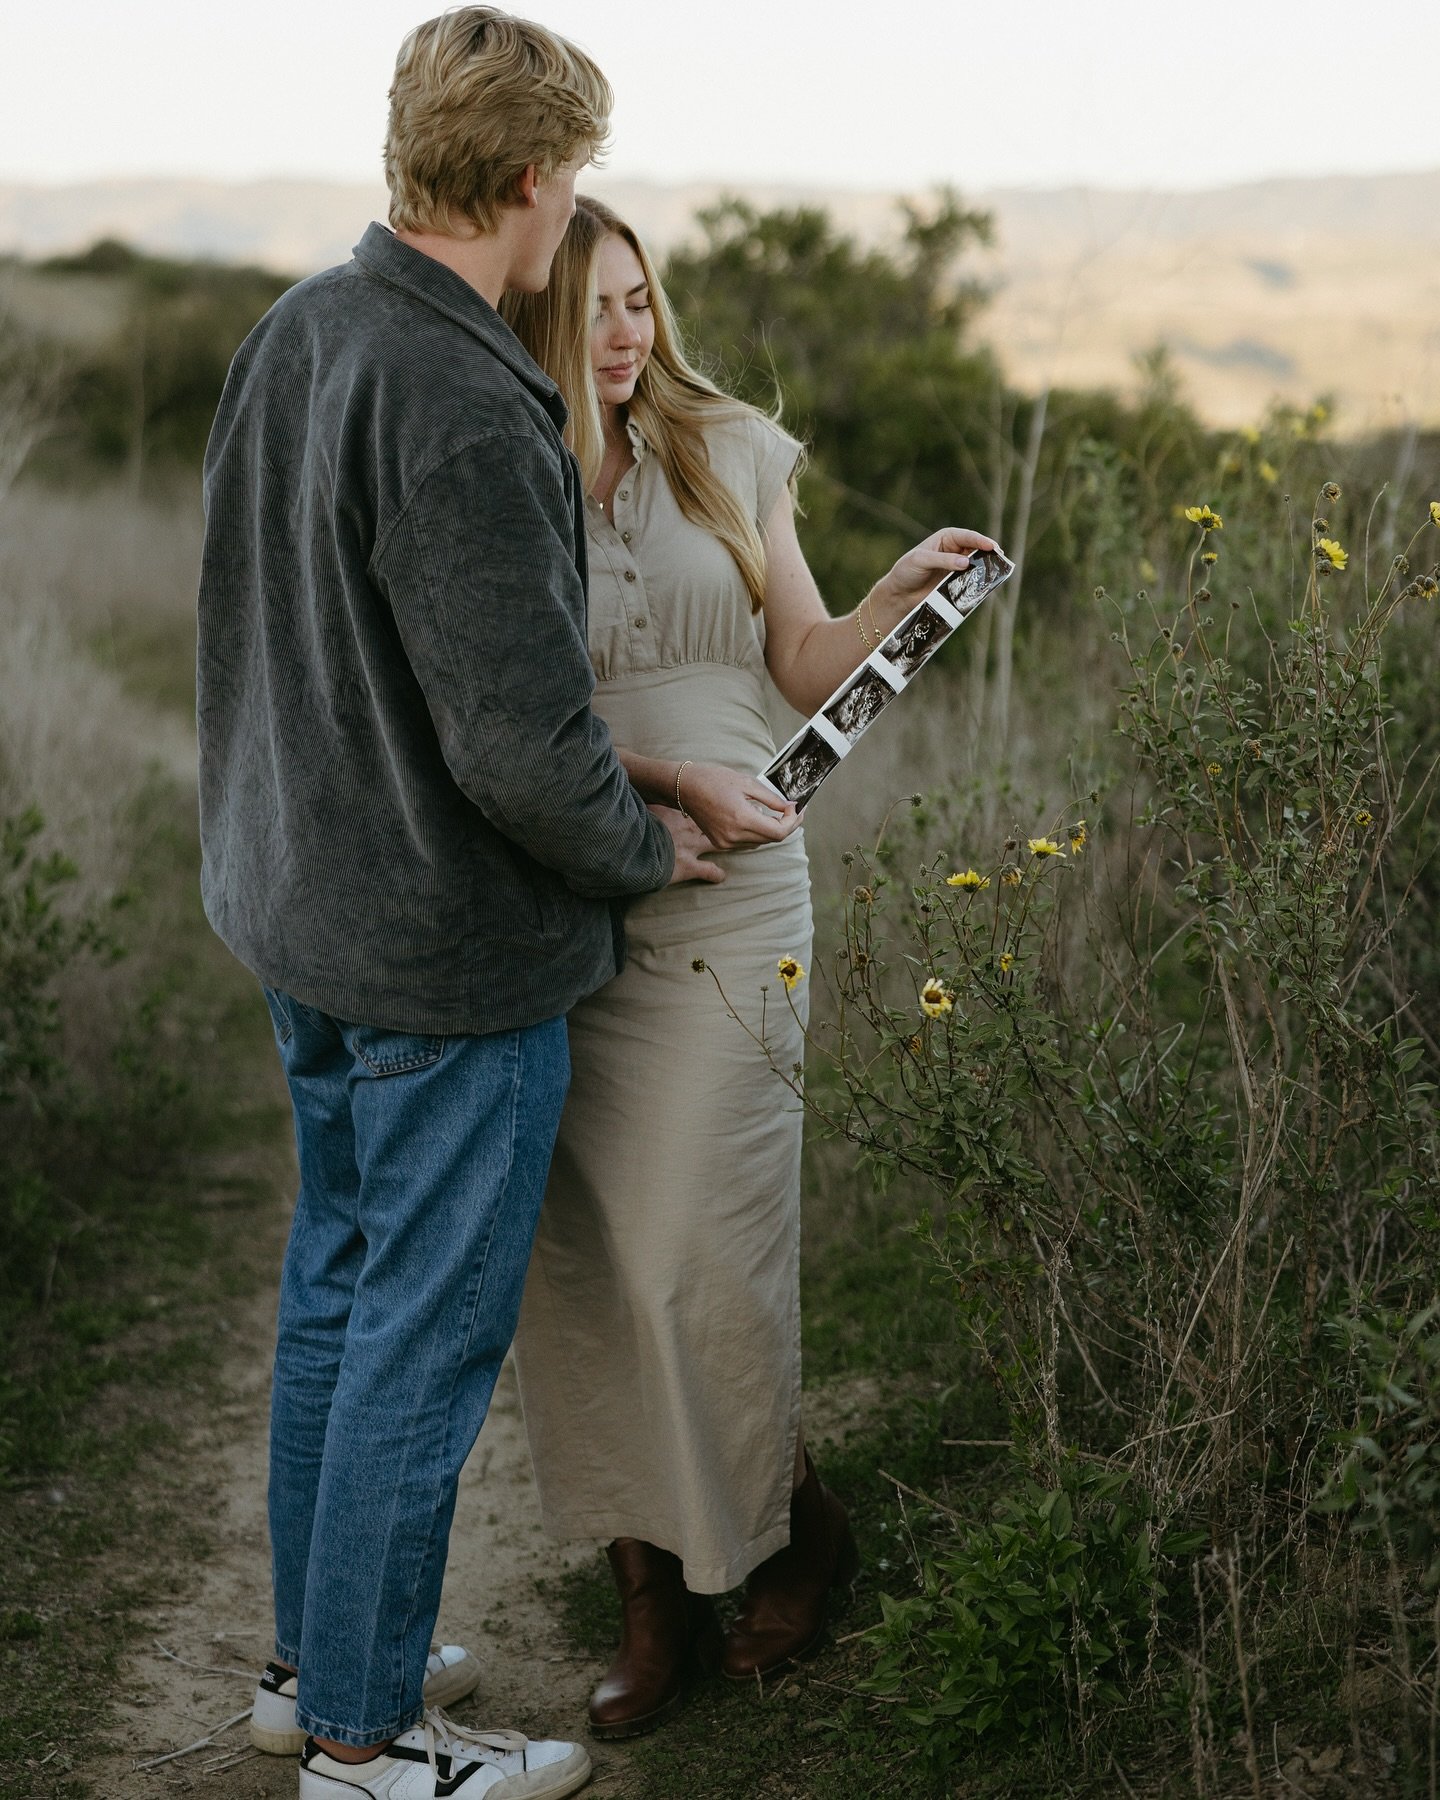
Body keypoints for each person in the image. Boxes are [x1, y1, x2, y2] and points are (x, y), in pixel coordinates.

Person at [196, 17, 712, 1799]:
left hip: (305, 910)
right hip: (439, 959)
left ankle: (313, 1663)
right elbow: (512, 750)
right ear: (526, 179)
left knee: (340, 1293)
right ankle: (365, 1741)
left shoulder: (303, 328)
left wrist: (630, 776)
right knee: (423, 1331)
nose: (572, 207)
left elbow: (367, 665)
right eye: (567, 175)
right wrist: (645, 847)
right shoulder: (469, 398)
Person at [502, 196, 1000, 1738]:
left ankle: (786, 1531)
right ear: (536, 317)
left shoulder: (727, 444)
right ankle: (651, 1589)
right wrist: (647, 786)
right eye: (595, 307)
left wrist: (886, 602)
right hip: (578, 898)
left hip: (742, 893)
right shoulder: (499, 468)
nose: (630, 334)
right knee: (591, 1259)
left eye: (643, 301)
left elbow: (799, 655)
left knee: (702, 1243)